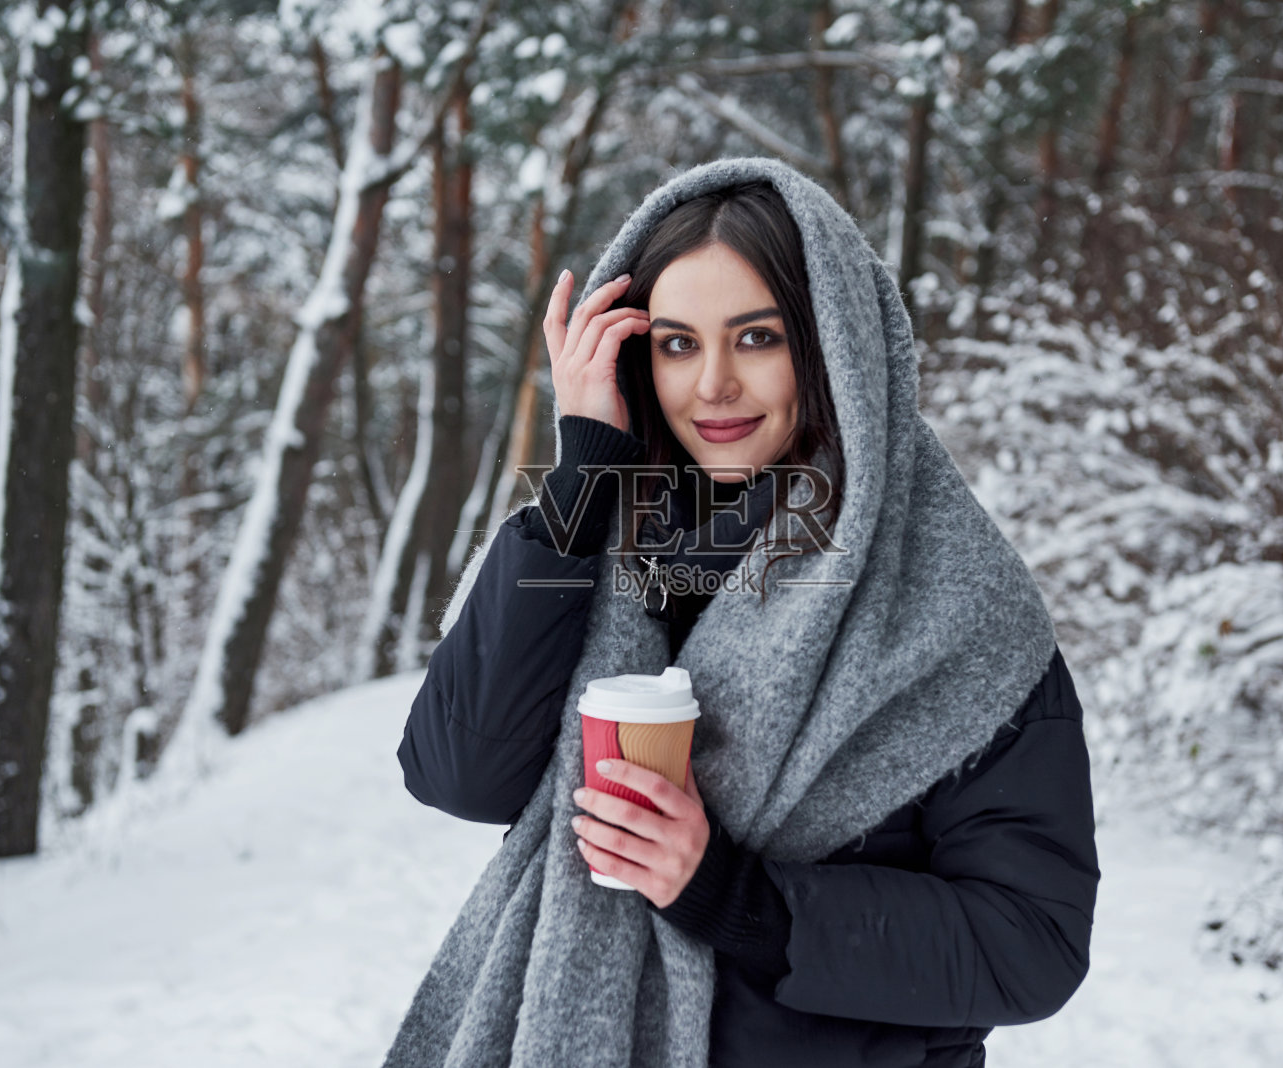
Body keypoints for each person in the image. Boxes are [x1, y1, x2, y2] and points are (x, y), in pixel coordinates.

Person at [383, 159, 1099, 1068]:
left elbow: (1029, 945)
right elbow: (459, 775)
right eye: (677, 344)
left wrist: (731, 896)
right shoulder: (590, 538)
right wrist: (580, 472)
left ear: (834, 345)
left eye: (756, 338)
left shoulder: (955, 600)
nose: (711, 384)